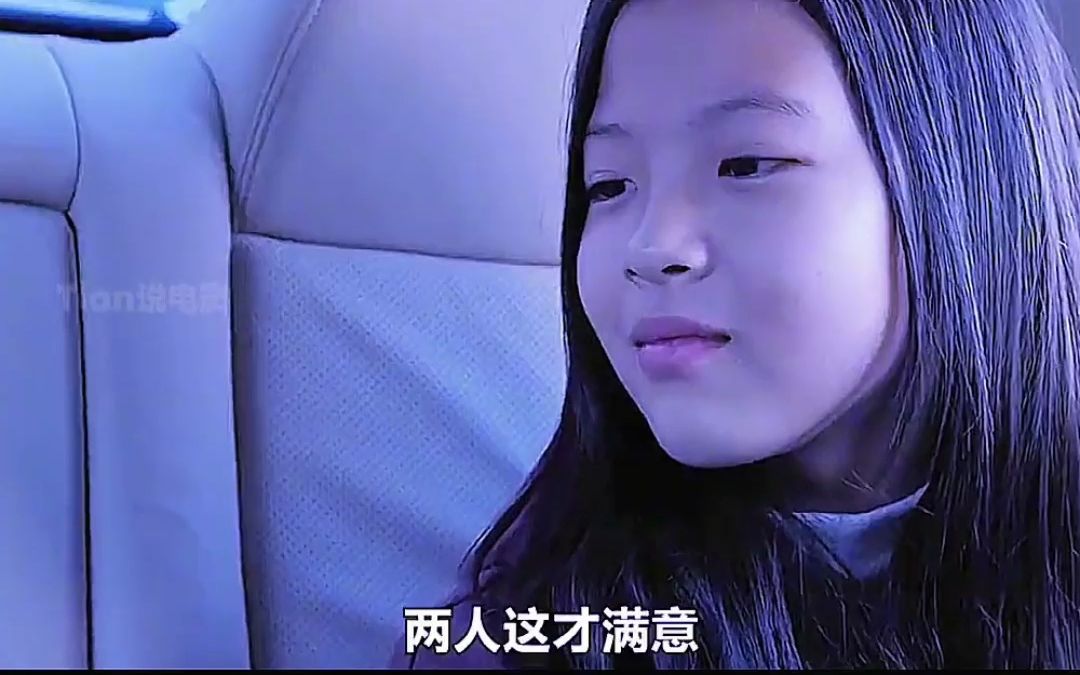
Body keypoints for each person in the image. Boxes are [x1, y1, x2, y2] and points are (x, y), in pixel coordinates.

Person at [391, 0, 1080, 668]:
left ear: (971, 185)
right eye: (609, 185)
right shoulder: (527, 627)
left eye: (746, 165)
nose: (650, 246)